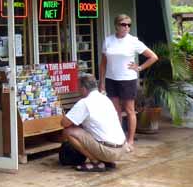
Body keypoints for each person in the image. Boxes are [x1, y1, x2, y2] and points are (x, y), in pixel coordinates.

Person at [99, 13, 158, 151]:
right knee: (115, 111)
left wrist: (139, 68)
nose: (126, 27)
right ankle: (118, 138)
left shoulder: (133, 41)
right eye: (123, 24)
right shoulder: (108, 41)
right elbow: (103, 63)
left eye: (128, 25)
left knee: (129, 110)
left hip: (127, 79)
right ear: (116, 26)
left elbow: (153, 57)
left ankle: (130, 140)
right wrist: (101, 81)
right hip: (111, 79)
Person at [60, 74, 126, 172]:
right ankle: (105, 160)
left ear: (83, 88)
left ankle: (95, 162)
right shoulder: (105, 98)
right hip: (122, 149)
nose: (78, 90)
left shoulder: (85, 102)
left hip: (108, 151)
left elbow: (64, 123)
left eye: (78, 88)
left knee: (68, 131)